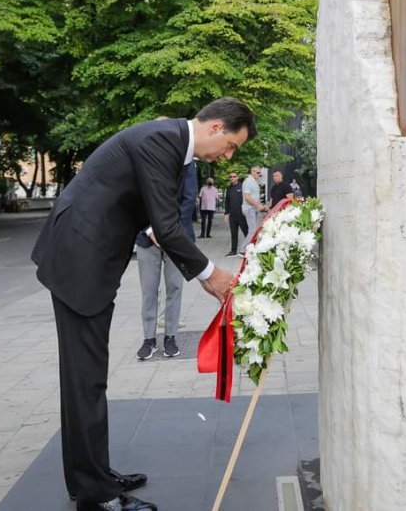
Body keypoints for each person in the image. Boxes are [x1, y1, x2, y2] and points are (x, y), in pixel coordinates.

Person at [31, 97, 256, 511]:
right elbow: (168, 226)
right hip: (79, 260)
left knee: (89, 376)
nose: (227, 157)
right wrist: (212, 276)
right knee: (85, 380)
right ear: (216, 127)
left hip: (89, 259)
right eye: (231, 146)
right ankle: (94, 494)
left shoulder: (170, 144)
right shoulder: (163, 140)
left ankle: (91, 474)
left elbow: (156, 217)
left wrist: (175, 246)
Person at [134, 159, 197, 361]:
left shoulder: (187, 162)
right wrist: (151, 229)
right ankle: (149, 340)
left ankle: (170, 338)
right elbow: (137, 197)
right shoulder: (144, 158)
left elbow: (188, 201)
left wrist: (169, 232)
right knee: (149, 290)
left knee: (174, 288)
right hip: (147, 238)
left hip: (176, 237)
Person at [239, 165, 265, 255]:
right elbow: (247, 197)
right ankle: (243, 250)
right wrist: (258, 205)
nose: (259, 174)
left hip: (253, 209)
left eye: (260, 173)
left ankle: (252, 249)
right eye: (258, 172)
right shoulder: (249, 181)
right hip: (250, 209)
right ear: (252, 171)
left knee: (255, 229)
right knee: (253, 230)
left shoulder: (253, 181)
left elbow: (252, 196)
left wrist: (259, 204)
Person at [222, 171, 247, 257]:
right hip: (232, 215)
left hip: (242, 214)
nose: (232, 178)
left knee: (246, 232)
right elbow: (227, 202)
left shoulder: (242, 187)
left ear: (237, 177)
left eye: (234, 176)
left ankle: (250, 248)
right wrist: (226, 213)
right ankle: (233, 250)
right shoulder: (229, 188)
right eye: (231, 177)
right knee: (233, 233)